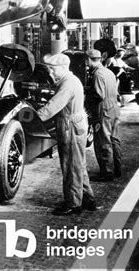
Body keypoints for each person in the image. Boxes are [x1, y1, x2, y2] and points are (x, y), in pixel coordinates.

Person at [36, 53, 95, 215]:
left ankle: (74, 204)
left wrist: (33, 117)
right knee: (78, 164)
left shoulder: (68, 84)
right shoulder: (70, 80)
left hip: (70, 127)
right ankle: (88, 199)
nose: (50, 73)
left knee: (70, 165)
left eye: (53, 69)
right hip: (75, 124)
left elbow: (53, 106)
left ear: (63, 68)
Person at [86, 49, 122, 182]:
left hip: (103, 111)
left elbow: (99, 95)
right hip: (114, 108)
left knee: (103, 141)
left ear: (89, 60)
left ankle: (107, 172)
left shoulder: (97, 75)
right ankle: (117, 169)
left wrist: (87, 97)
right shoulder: (109, 72)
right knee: (114, 139)